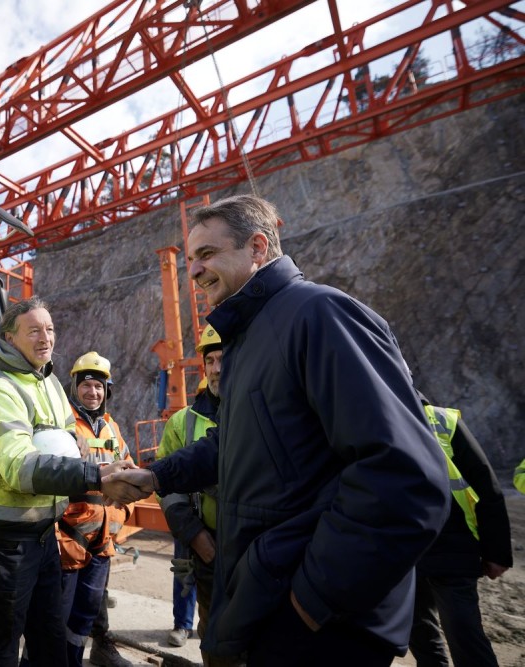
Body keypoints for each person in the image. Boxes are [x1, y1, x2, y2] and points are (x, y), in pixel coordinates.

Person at [102, 194, 450, 667]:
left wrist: (310, 601)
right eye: (190, 260)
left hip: (317, 623)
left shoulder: (319, 315)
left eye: (207, 254)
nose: (195, 272)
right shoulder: (251, 337)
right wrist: (157, 477)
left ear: (258, 248)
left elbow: (404, 477)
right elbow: (234, 443)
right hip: (269, 594)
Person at [0, 297, 136, 666]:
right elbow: (21, 468)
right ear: (9, 337)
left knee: (49, 642)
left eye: (50, 329)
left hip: (44, 537)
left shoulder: (52, 385)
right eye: (34, 330)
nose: (46, 338)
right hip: (4, 544)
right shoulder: (0, 391)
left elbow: (74, 450)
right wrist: (97, 478)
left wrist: (100, 477)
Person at [409, 399, 512, 667]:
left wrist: (497, 553)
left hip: (451, 548)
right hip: (405, 548)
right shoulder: (371, 414)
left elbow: (486, 486)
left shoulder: (443, 420)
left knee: (464, 634)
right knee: (417, 632)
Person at [56, 352, 134, 667]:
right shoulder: (64, 426)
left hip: (102, 545)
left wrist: (124, 512)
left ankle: (74, 661)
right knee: (55, 617)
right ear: (74, 386)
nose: (93, 392)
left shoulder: (112, 428)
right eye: (86, 385)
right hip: (68, 541)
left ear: (107, 391)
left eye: (99, 387)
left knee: (84, 616)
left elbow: (130, 468)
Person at [156, 325, 227, 662]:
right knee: (214, 636)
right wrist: (194, 534)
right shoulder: (182, 423)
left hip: (259, 547)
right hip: (208, 547)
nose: (215, 368)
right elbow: (167, 489)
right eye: (209, 360)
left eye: (223, 358)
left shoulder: (265, 411)